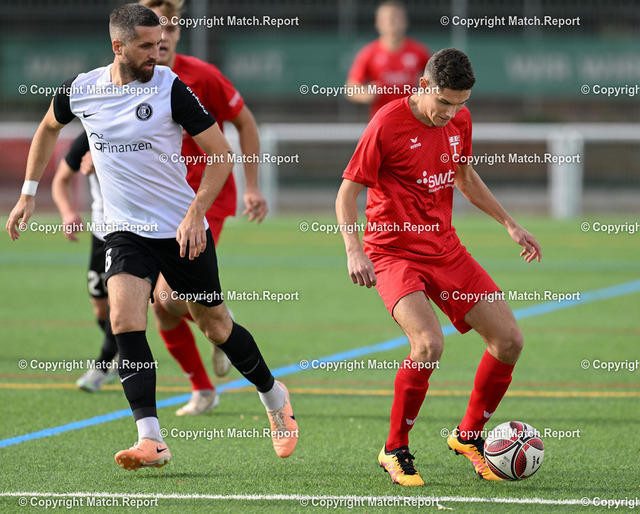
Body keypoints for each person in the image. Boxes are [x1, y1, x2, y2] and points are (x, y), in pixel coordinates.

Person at [7, 3, 298, 469]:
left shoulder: (170, 87)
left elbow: (221, 154)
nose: (156, 52)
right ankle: (151, 439)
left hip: (181, 230)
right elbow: (47, 129)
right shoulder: (82, 88)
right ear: (117, 46)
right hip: (123, 232)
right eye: (145, 45)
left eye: (160, 43)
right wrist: (27, 194)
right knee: (125, 320)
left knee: (215, 325)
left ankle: (274, 396)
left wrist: (196, 212)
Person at [336, 48, 541, 486]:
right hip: (392, 252)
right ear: (424, 86)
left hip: (445, 249)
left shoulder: (459, 120)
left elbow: (463, 176)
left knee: (509, 340)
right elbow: (346, 194)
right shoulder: (387, 123)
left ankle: (468, 436)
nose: (451, 112)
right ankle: (395, 449)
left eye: (461, 103)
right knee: (428, 344)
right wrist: (354, 250)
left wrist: (510, 223)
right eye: (445, 102)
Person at [51, 133, 119, 392]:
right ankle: (122, 348)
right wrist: (68, 213)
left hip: (134, 233)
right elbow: (60, 180)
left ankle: (102, 366)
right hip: (101, 234)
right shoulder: (89, 134)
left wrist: (103, 160)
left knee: (123, 306)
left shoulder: (143, 125)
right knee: (100, 309)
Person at [346, 0, 430, 118]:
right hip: (381, 120)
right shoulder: (368, 53)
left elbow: (436, 82)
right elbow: (351, 89)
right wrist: (365, 94)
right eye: (386, 19)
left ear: (405, 22)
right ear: (377, 23)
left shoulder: (419, 52)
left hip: (412, 119)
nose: (391, 22)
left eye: (396, 18)